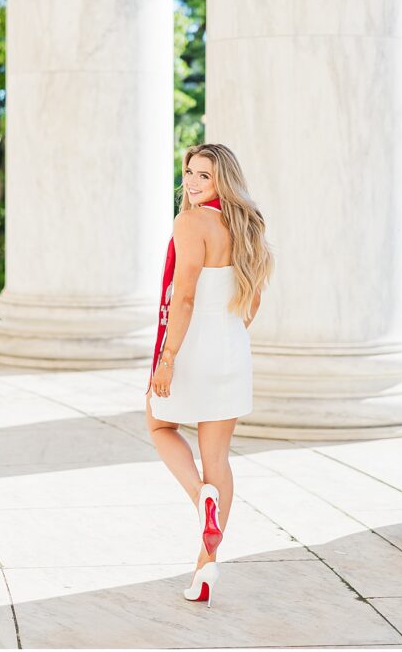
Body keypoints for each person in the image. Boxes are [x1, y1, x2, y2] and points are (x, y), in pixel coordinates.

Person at [145, 143, 274, 607]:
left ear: (224, 180)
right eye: (190, 173)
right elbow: (252, 299)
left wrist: (168, 358)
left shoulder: (191, 222)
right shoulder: (248, 225)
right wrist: (230, 336)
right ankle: (205, 568)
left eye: (205, 175)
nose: (193, 183)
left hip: (193, 343)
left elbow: (183, 299)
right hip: (232, 346)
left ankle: (202, 497)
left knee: (159, 425)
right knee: (217, 457)